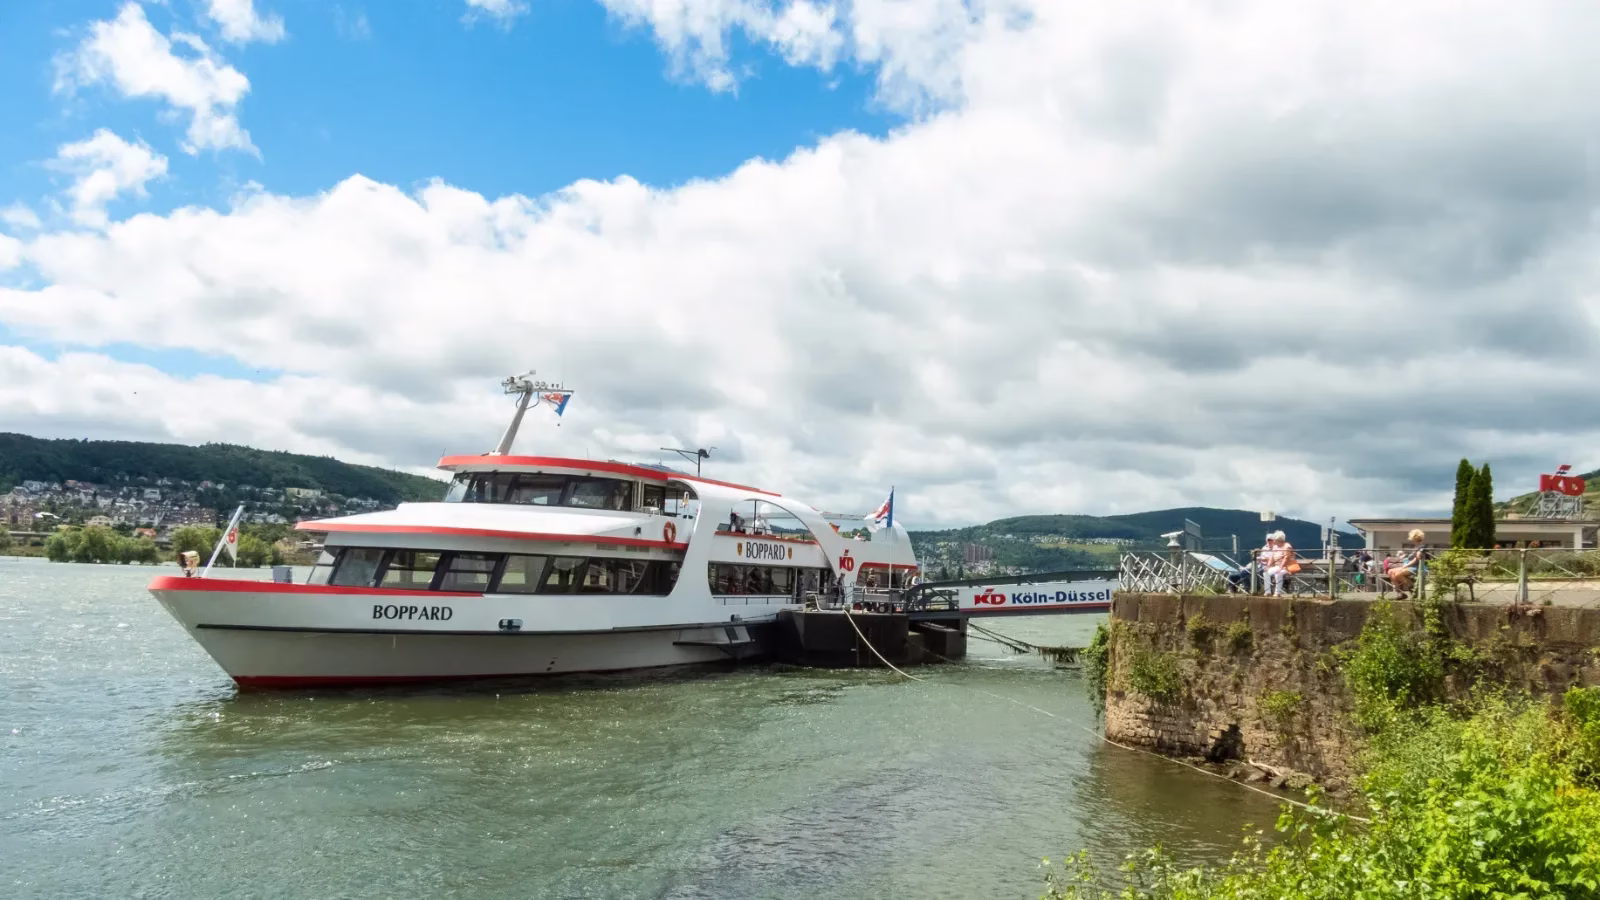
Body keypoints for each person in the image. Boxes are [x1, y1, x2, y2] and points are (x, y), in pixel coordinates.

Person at [1389, 530, 1428, 599]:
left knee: (1398, 574)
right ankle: (1400, 593)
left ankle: (1413, 590)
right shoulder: (1415, 547)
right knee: (1390, 572)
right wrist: (1405, 556)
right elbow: (1412, 558)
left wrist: (1405, 566)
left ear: (1414, 538)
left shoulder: (1421, 547)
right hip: (1412, 566)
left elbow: (1416, 559)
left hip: (1418, 567)